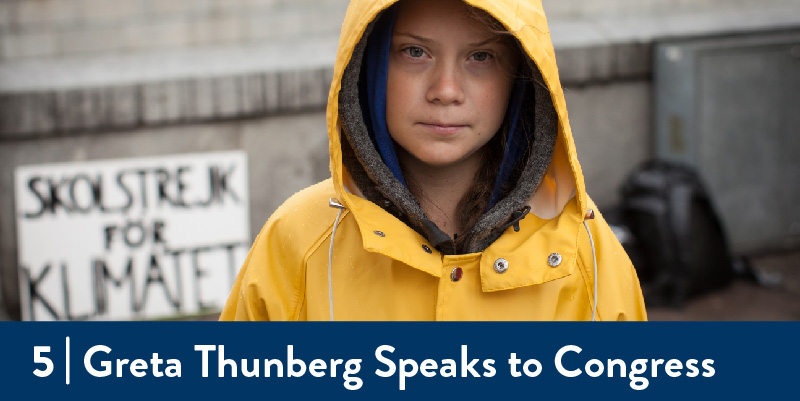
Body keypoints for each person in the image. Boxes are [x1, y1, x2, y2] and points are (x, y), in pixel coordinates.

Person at [220, 0, 647, 321]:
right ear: (369, 66)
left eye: (480, 57)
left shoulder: (581, 245)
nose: (445, 90)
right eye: (414, 53)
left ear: (520, 79)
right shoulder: (300, 240)